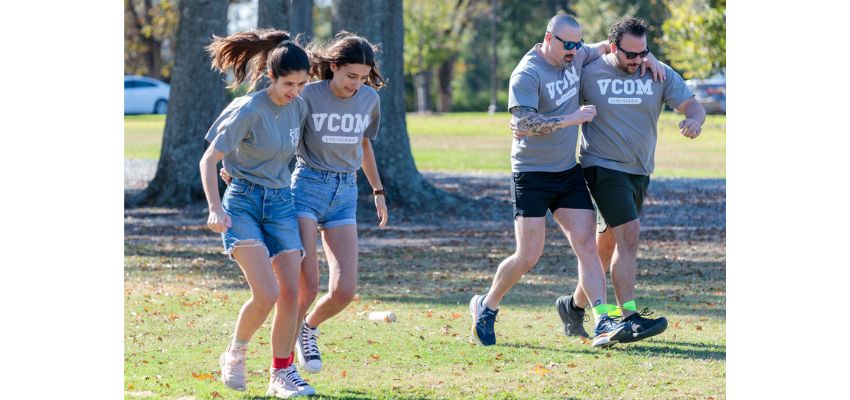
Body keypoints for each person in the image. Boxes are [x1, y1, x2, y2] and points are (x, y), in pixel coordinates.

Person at [469, 14, 664, 348]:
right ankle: (486, 306)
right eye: (567, 44)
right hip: (531, 174)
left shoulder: (578, 56)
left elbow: (614, 47)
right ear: (549, 39)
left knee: (587, 245)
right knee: (528, 256)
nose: (574, 51)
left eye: (578, 43)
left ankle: (603, 320)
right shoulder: (527, 73)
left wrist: (650, 57)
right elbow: (525, 124)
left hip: (567, 172)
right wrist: (572, 119)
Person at [568, 16, 706, 344]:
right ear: (613, 47)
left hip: (640, 171)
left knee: (607, 245)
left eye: (643, 53)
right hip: (601, 166)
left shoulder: (656, 72)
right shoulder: (590, 72)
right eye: (630, 55)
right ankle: (627, 316)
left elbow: (692, 105)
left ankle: (573, 307)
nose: (637, 61)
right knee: (629, 235)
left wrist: (694, 122)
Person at [201, 29, 315, 398]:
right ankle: (235, 353)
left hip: (281, 203)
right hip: (243, 203)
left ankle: (280, 374)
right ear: (271, 76)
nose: (295, 91)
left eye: (301, 83)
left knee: (292, 295)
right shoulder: (248, 109)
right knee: (265, 292)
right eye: (288, 83)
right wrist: (215, 206)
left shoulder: (298, 106)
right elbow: (209, 160)